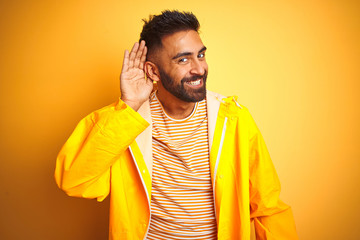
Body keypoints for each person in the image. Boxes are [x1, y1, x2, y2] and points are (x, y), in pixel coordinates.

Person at [55, 10, 298, 240]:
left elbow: (268, 206)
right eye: (183, 59)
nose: (199, 68)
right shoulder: (124, 121)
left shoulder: (233, 119)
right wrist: (129, 106)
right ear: (153, 71)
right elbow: (74, 180)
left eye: (200, 55)